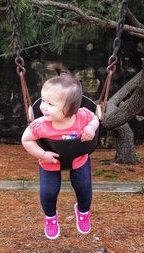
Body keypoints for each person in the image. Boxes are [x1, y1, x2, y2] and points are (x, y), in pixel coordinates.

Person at [21, 63, 100, 240]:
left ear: (71, 109)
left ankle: (83, 211)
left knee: (84, 187)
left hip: (78, 158)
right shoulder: (41, 124)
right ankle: (50, 217)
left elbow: (96, 117)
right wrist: (42, 155)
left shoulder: (82, 115)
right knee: (48, 192)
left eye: (50, 104)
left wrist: (91, 129)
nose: (43, 107)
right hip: (50, 162)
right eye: (42, 100)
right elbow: (25, 139)